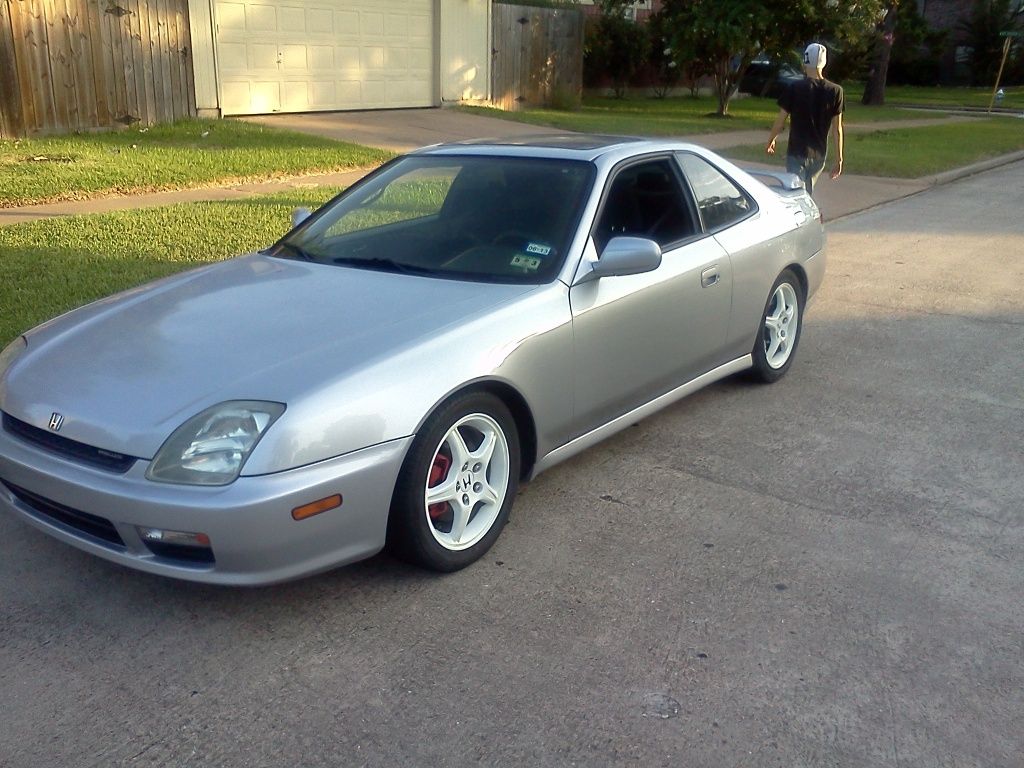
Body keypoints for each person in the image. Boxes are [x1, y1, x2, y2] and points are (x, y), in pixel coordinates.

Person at [766, 43, 845, 198]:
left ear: (805, 61)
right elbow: (837, 129)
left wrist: (771, 140)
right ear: (824, 62)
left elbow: (780, 120)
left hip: (796, 152)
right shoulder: (836, 91)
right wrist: (839, 159)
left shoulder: (795, 87)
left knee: (796, 195)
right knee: (806, 193)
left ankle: (808, 219)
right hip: (819, 154)